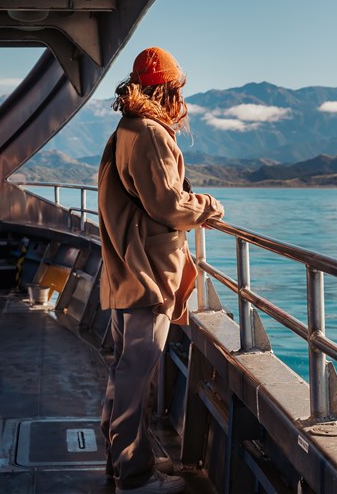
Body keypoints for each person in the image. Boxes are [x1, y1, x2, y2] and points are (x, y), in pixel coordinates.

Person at [98, 47, 224, 494]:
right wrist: (209, 206)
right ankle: (133, 478)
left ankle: (126, 463)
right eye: (178, 91)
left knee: (124, 372)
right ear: (168, 90)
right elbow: (168, 205)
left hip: (126, 269)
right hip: (146, 273)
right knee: (135, 374)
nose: (181, 102)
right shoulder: (149, 133)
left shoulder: (126, 130)